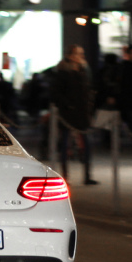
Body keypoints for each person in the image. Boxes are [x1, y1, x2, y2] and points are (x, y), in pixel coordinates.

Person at [51, 44, 97, 185]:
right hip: (68, 113)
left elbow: (88, 89)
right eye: (78, 54)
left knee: (87, 143)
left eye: (82, 54)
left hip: (82, 113)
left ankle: (87, 175)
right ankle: (65, 176)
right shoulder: (63, 71)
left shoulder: (83, 71)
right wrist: (68, 105)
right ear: (71, 56)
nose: (81, 57)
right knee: (65, 144)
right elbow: (57, 93)